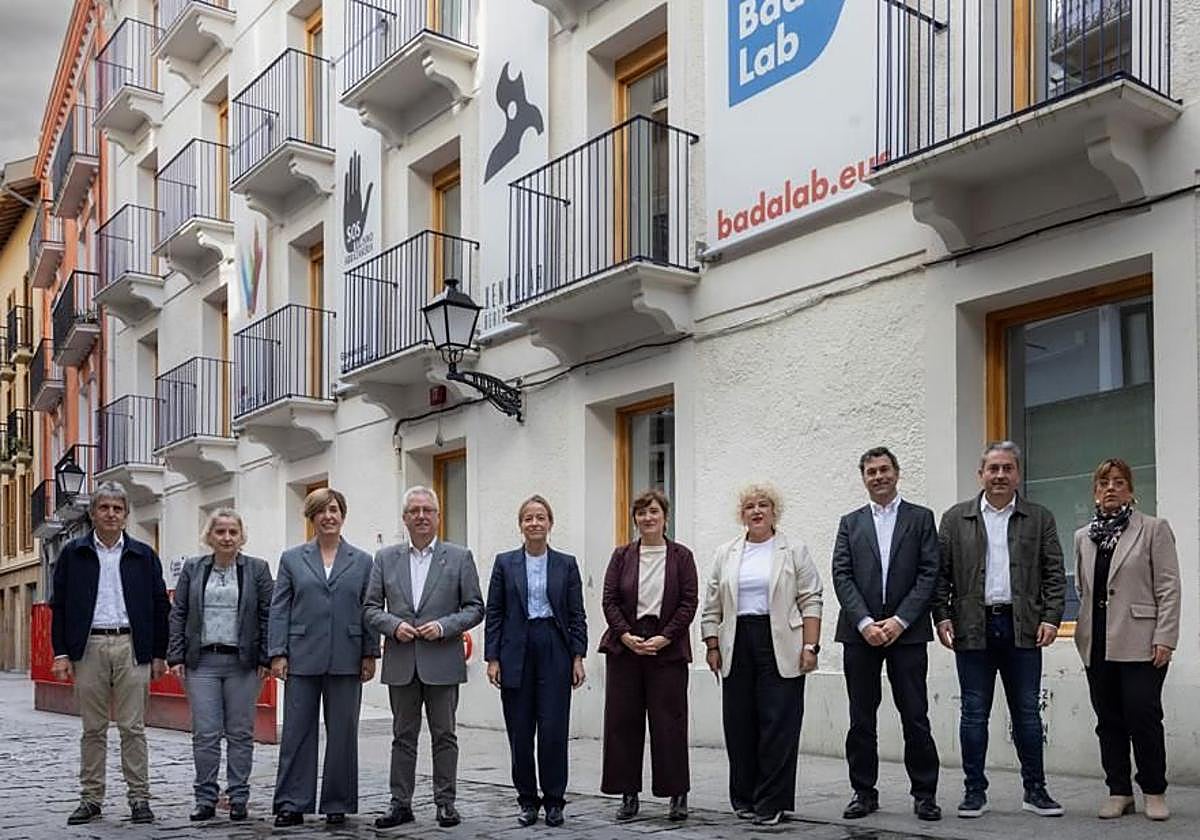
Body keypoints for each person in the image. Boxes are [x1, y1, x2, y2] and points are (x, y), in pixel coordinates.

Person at [934, 441, 1066, 819]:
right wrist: (942, 617)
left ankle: (1035, 790)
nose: (1000, 475)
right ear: (980, 474)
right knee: (974, 712)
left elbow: (1054, 573)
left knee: (1027, 713)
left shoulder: (1039, 518)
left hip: (1022, 626)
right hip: (972, 626)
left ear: (1018, 475)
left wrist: (1051, 618)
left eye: (1007, 468)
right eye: (993, 468)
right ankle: (974, 792)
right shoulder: (955, 519)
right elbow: (940, 576)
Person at [700, 483, 823, 826]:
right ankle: (744, 797)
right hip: (737, 640)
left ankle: (772, 802)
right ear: (742, 514)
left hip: (780, 641)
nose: (756, 511)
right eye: (750, 506)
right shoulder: (726, 552)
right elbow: (711, 605)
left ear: (774, 511)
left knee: (778, 723)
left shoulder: (794, 549)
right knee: (739, 723)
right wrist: (712, 645)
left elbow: (811, 599)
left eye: (763, 505)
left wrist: (810, 646)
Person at [50, 481, 170, 826]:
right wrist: (61, 653)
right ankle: (91, 798)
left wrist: (158, 653)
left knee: (133, 727)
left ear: (126, 514)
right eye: (104, 507)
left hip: (131, 645)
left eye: (118, 509)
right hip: (88, 647)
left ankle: (139, 798)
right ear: (93, 513)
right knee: (93, 728)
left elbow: (159, 605)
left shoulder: (143, 554)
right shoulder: (73, 554)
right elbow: (59, 606)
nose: (111, 514)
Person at [365, 486, 485, 829]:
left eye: (427, 510)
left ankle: (445, 803)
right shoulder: (385, 558)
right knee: (402, 736)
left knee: (444, 735)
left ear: (438, 516)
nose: (421, 516)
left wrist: (445, 627)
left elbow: (475, 607)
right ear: (404, 518)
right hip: (402, 660)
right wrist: (393, 625)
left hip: (442, 660)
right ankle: (400, 803)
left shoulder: (459, 557)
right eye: (414, 511)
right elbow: (370, 608)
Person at [832, 447, 941, 821]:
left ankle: (924, 794)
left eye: (884, 469)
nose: (878, 476)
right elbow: (842, 575)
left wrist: (900, 620)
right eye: (871, 472)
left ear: (897, 472)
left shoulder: (921, 518)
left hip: (906, 634)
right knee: (861, 718)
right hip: (859, 635)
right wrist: (864, 622)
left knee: (915, 715)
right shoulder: (850, 523)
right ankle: (863, 792)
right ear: (863, 478)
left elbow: (929, 572)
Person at [1074, 458, 1180, 821]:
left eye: (1119, 482)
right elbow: (1083, 589)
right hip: (1097, 642)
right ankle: (1119, 791)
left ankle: (1154, 790)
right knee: (1108, 720)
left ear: (1130, 490)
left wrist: (1165, 637)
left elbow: (1168, 587)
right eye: (1104, 482)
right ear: (1095, 492)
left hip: (1142, 640)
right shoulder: (1084, 537)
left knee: (1143, 715)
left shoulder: (1153, 529)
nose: (1111, 488)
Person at [268, 488, 378, 827]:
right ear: (311, 517)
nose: (328, 516)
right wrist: (278, 652)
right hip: (301, 656)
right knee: (296, 732)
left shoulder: (362, 561)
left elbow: (370, 608)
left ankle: (337, 802)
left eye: (333, 510)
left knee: (343, 733)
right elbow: (279, 608)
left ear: (342, 515)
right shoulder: (292, 559)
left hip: (348, 655)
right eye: (321, 511)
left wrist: (370, 652)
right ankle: (291, 803)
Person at [484, 495, 588, 827]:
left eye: (540, 517)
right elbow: (494, 612)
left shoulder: (566, 564)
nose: (534, 523)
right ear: (520, 525)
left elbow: (577, 614)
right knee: (520, 730)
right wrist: (492, 658)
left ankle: (555, 800)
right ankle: (527, 800)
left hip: (554, 646)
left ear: (550, 523)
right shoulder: (505, 563)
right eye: (528, 518)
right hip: (516, 649)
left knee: (553, 729)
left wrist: (578, 656)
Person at [167, 508, 273, 822]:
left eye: (232, 532)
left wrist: (266, 657)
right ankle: (205, 799)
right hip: (202, 662)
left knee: (240, 732)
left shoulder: (257, 569)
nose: (227, 537)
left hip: (243, 663)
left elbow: (268, 614)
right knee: (206, 733)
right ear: (210, 536)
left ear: (241, 537)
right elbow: (179, 612)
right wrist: (175, 656)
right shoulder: (194, 568)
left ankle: (238, 797)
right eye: (220, 532)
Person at [599, 489, 697, 822]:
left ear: (665, 517)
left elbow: (688, 602)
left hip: (667, 648)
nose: (648, 518)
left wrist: (665, 637)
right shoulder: (621, 556)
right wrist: (625, 635)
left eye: (654, 511)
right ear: (635, 520)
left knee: (669, 723)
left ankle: (677, 793)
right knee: (623, 722)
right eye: (641, 513)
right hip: (626, 648)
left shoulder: (682, 556)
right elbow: (609, 600)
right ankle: (628, 793)